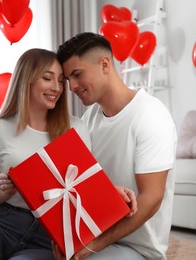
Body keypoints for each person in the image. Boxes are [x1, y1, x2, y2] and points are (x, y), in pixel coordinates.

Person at [0, 48, 136, 260]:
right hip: (0, 223)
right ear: (26, 80)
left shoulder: (76, 128)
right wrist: (3, 191)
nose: (57, 88)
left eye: (61, 81)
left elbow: (82, 187)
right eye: (47, 78)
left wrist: (112, 193)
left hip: (50, 233)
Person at [55, 32, 177, 260]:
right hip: (95, 233)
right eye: (67, 80)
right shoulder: (89, 119)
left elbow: (151, 198)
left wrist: (94, 245)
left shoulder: (151, 115)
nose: (71, 87)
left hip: (137, 248)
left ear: (104, 64)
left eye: (77, 75)